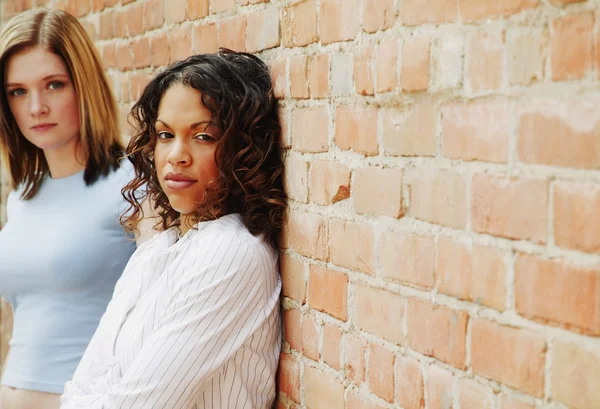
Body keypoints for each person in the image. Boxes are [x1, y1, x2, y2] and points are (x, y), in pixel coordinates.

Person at [60, 49, 287, 409]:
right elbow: (78, 386)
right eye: (165, 135)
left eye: (204, 136)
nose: (176, 155)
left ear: (242, 148)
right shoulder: (156, 250)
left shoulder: (231, 253)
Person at [0, 9, 154, 409]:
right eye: (17, 91)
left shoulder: (132, 185)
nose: (36, 107)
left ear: (83, 86)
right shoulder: (23, 197)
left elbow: (166, 316)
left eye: (53, 85)